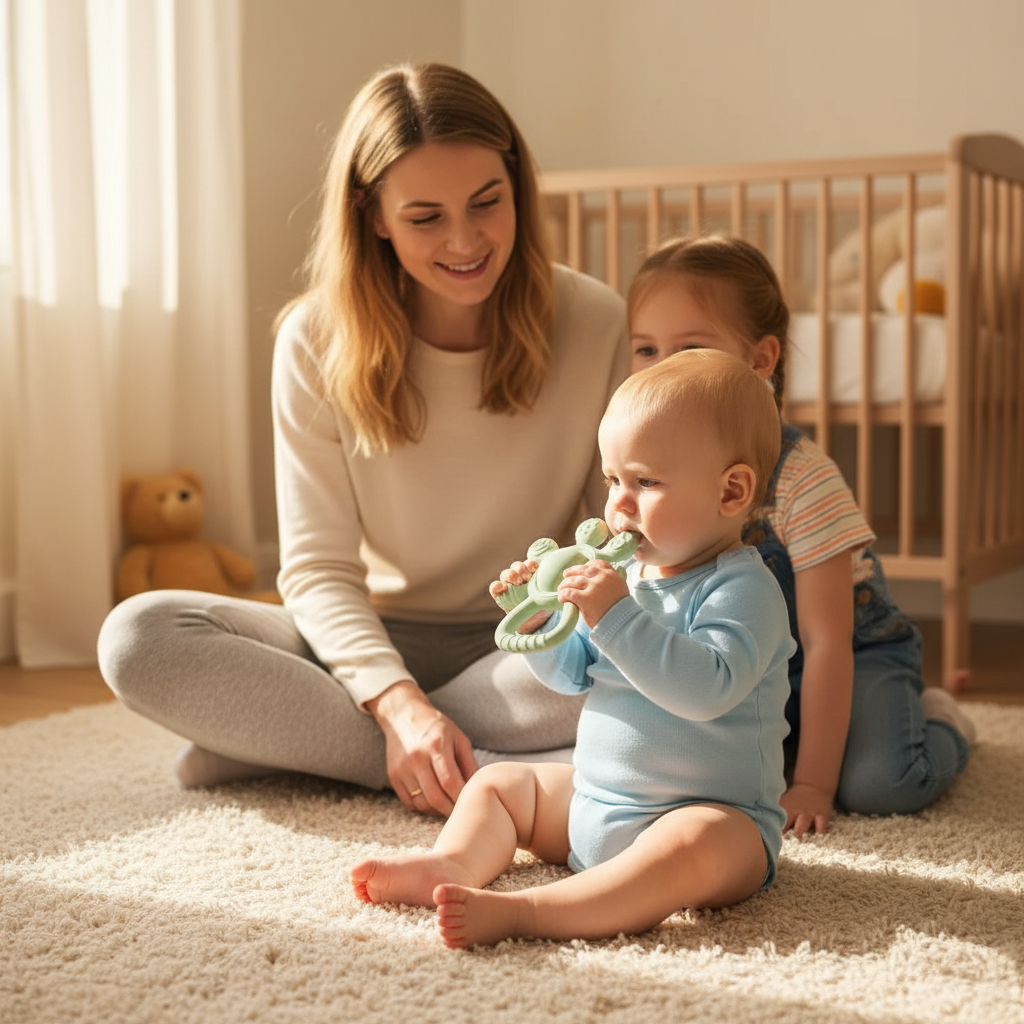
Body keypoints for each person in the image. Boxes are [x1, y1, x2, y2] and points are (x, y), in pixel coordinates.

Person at [97, 62, 629, 815]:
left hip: (525, 646)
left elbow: (606, 537)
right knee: (139, 636)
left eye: (488, 202)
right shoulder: (315, 339)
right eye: (425, 217)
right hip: (363, 640)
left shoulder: (596, 319)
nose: (467, 239)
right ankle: (445, 756)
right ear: (372, 214)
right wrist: (397, 704)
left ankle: (296, 749)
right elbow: (316, 571)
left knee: (657, 651)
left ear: (518, 186)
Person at [350, 349, 796, 948]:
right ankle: (452, 863)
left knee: (689, 845)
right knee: (501, 783)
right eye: (613, 480)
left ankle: (529, 913)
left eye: (645, 482)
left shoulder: (744, 589)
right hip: (596, 801)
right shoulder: (629, 578)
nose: (618, 504)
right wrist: (538, 625)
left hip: (716, 820)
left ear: (732, 491)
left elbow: (707, 690)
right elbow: (574, 677)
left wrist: (614, 615)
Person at [627, 235, 975, 836]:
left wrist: (813, 783)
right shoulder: (649, 470)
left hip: (851, 654)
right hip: (743, 660)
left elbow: (826, 641)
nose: (667, 369)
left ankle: (943, 718)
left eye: (690, 347)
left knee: (879, 783)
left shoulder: (801, 478)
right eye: (646, 349)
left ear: (761, 359)